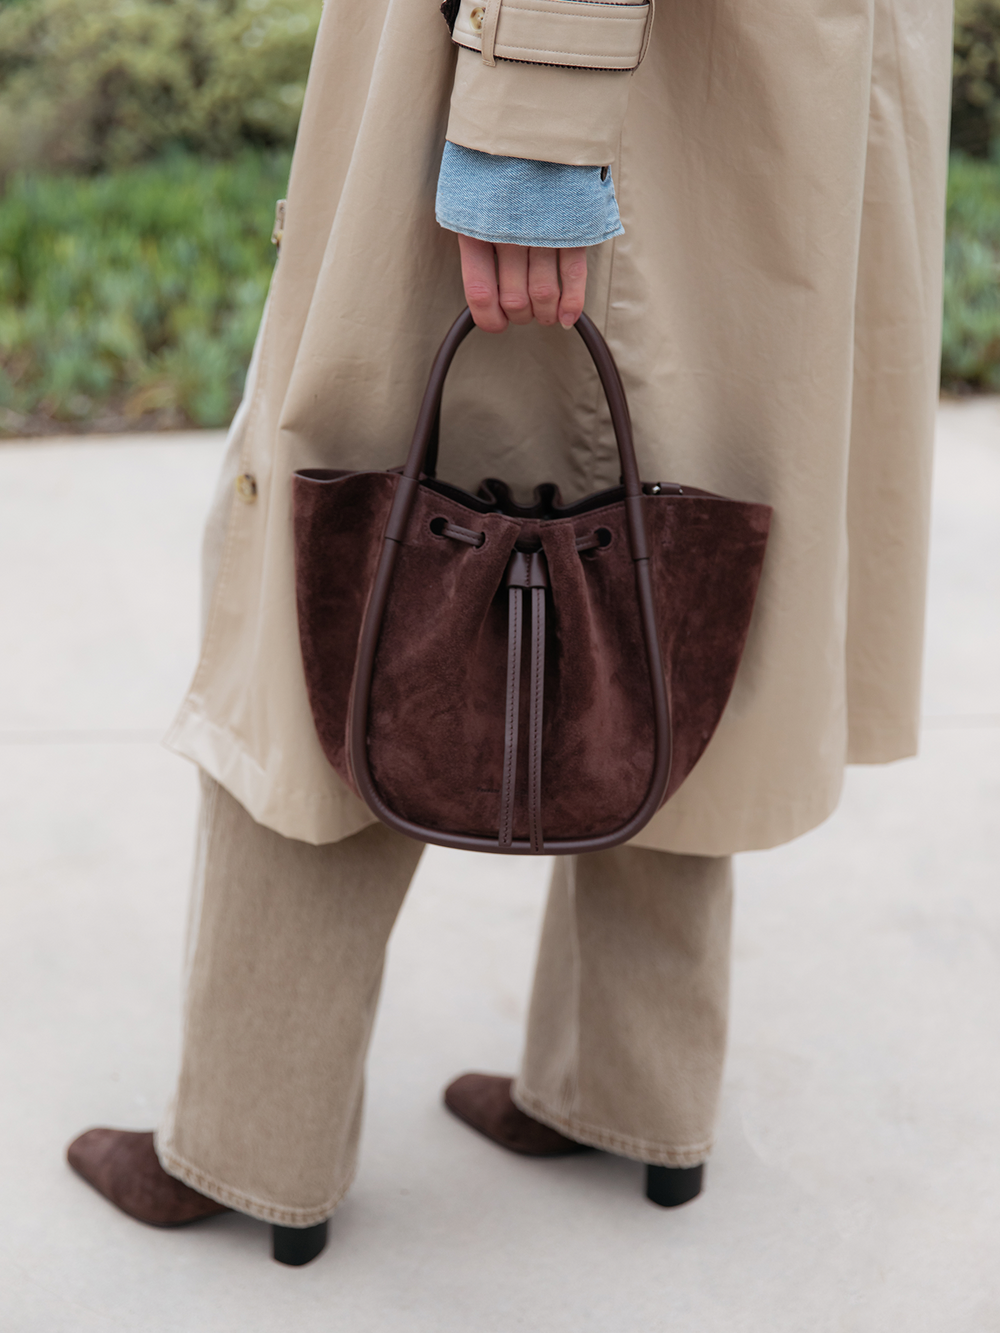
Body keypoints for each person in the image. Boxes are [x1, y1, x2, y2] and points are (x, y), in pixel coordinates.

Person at [65, 0, 952, 1265]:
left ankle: (256, 1140)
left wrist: (529, 118)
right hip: (783, 83)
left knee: (350, 566)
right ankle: (634, 1097)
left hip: (580, 82)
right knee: (680, 563)